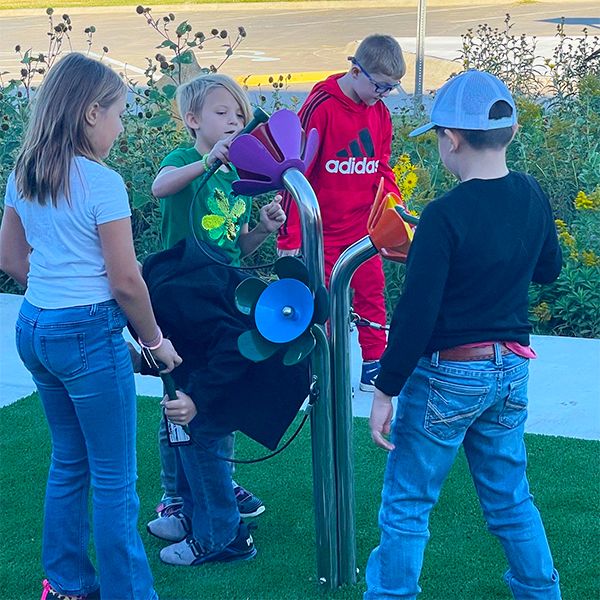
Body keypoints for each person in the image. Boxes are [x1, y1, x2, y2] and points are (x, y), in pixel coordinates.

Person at [365, 70, 563, 599]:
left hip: (450, 371)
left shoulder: (444, 215)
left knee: (408, 502)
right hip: (510, 368)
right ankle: (542, 592)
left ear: (451, 138)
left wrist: (385, 390)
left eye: (436, 139)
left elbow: (416, 314)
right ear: (510, 133)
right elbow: (548, 269)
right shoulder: (531, 192)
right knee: (510, 499)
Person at [0, 53, 182, 600]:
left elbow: (11, 258)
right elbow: (126, 281)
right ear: (89, 114)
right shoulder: (103, 184)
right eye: (118, 114)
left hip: (35, 327)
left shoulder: (24, 171)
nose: (121, 126)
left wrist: (59, 288)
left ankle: (68, 586)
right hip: (85, 334)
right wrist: (155, 343)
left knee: (69, 463)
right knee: (113, 478)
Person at [145, 73, 287, 566]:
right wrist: (205, 163)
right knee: (177, 399)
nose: (234, 121)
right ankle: (185, 503)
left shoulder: (239, 179)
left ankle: (210, 510)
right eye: (223, 112)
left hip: (218, 296)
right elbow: (160, 189)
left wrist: (264, 229)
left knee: (201, 401)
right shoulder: (184, 161)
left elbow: (237, 247)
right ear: (192, 120)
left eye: (240, 115)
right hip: (178, 296)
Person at [277, 34, 406, 392]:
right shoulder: (322, 106)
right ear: (355, 70)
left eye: (391, 88)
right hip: (322, 232)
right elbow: (294, 172)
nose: (383, 94)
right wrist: (291, 235)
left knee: (371, 292)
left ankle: (373, 364)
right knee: (323, 303)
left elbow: (381, 166)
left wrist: (394, 203)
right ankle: (327, 365)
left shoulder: (380, 113)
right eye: (379, 85)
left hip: (362, 229)